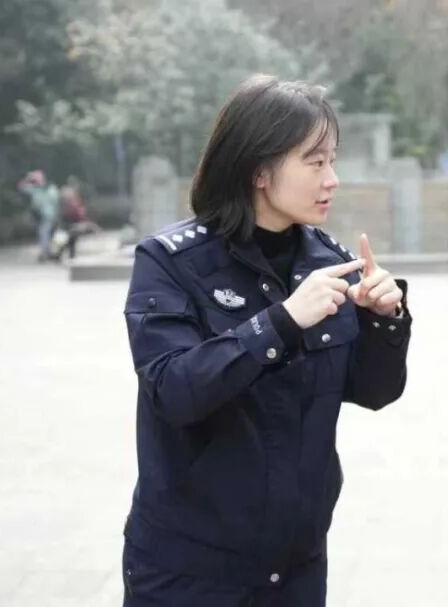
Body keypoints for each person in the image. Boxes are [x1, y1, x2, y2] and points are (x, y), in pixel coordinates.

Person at [120, 75, 411, 606]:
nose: (332, 179)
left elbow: (374, 391)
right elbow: (174, 390)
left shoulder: (328, 261)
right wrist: (282, 321)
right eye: (315, 162)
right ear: (258, 169)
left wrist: (384, 320)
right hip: (189, 571)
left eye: (332, 161)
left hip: (297, 567)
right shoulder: (170, 262)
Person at [18, 170, 60, 262]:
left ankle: (45, 253)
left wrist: (57, 214)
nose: (37, 180)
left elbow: (56, 202)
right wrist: (28, 178)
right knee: (44, 234)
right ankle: (48, 252)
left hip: (49, 215)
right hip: (39, 216)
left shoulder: (51, 188)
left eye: (38, 178)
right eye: (36, 179)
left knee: (45, 233)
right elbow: (21, 187)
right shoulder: (34, 189)